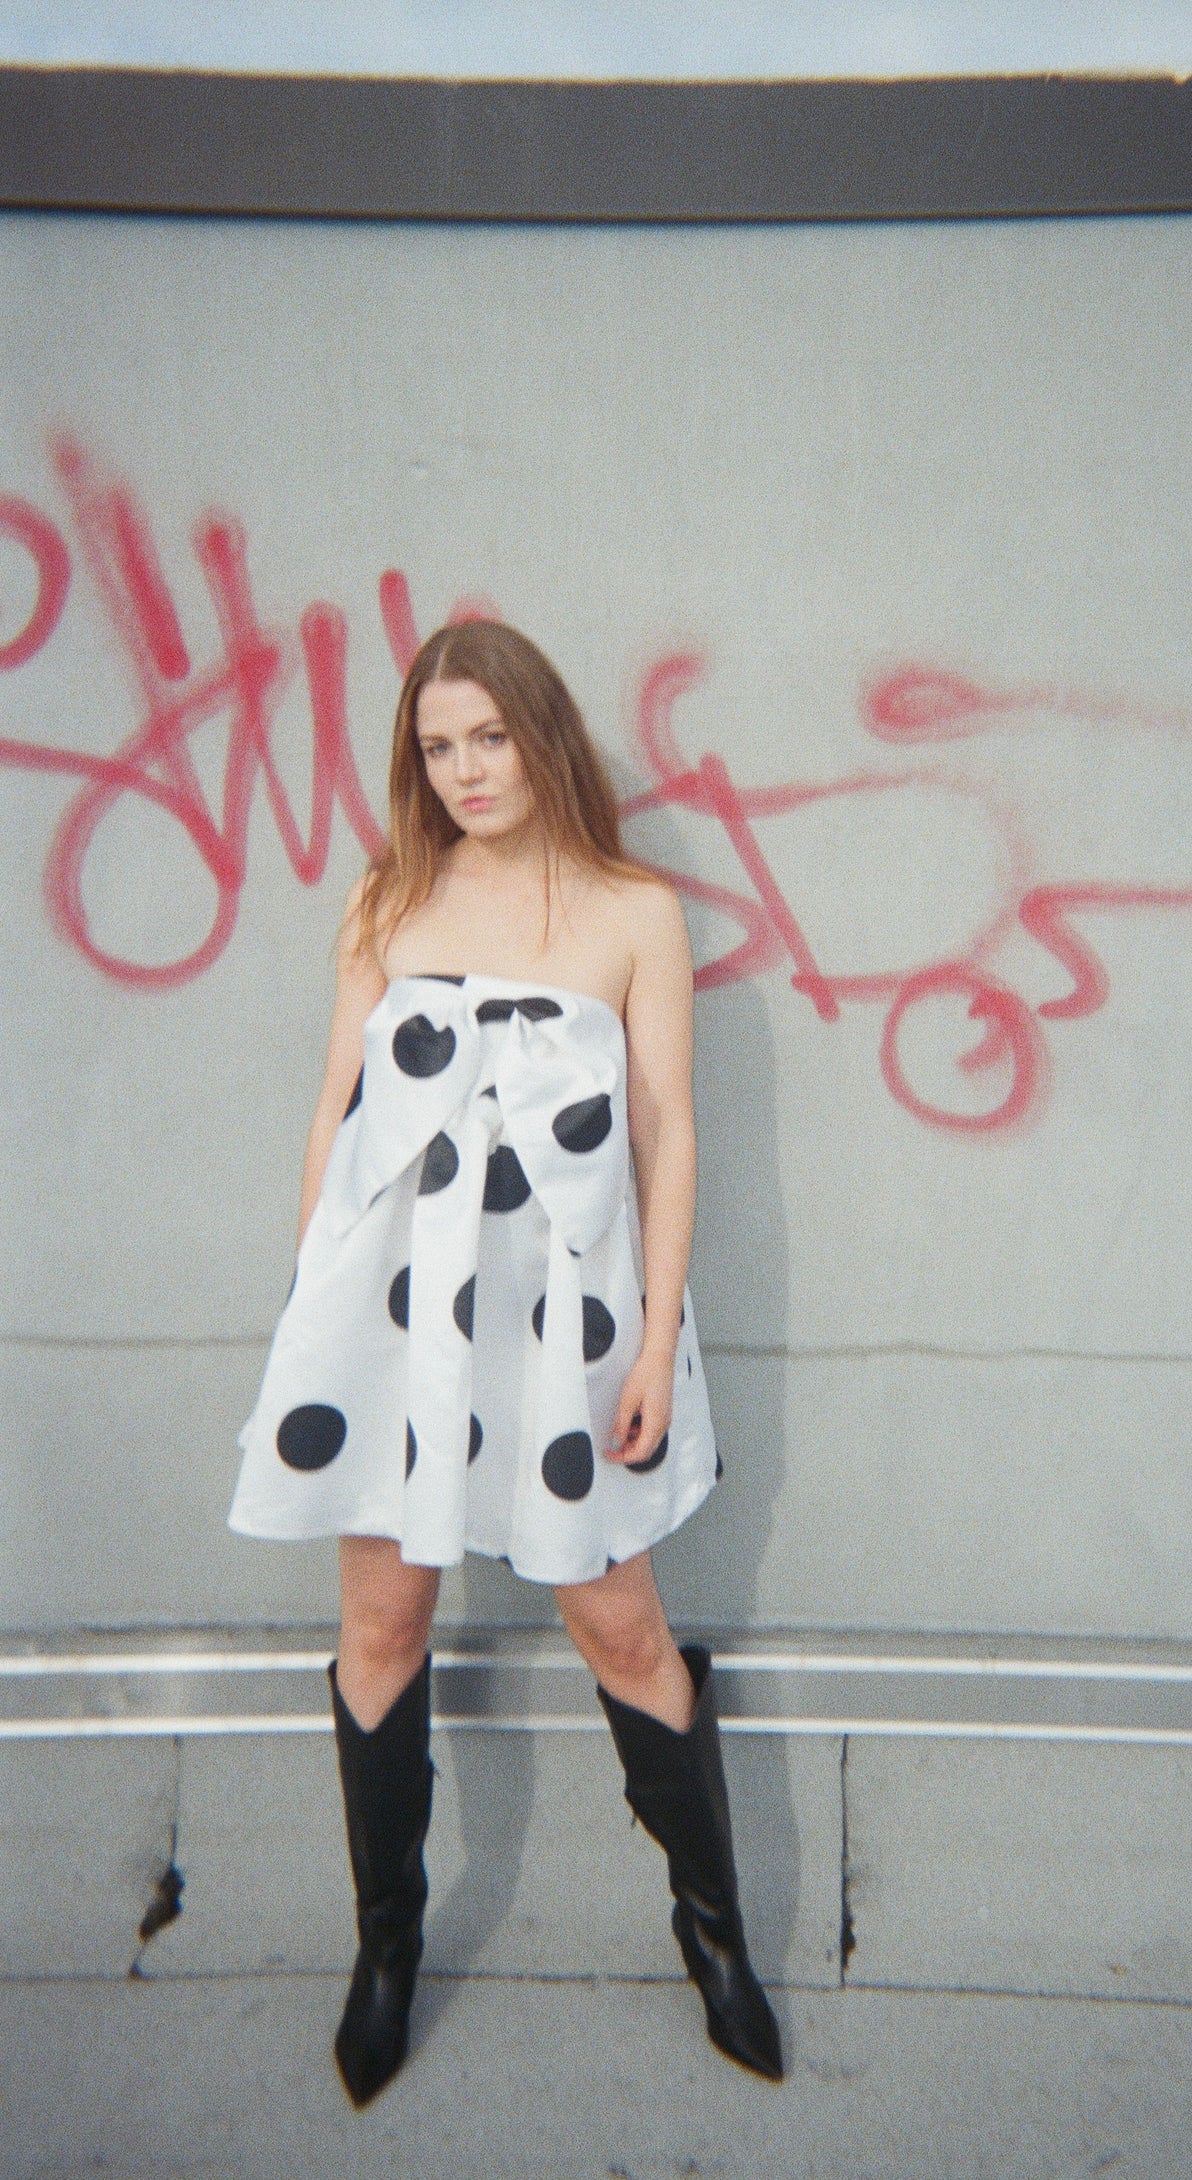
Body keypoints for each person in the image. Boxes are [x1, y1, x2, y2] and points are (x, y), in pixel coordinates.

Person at [229, 620, 782, 2106]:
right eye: (434, 744)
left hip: (563, 1334)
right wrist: (309, 1316)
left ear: (542, 733)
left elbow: (666, 1134)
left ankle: (712, 1935)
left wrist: (656, 1339)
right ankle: (387, 1952)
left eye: (489, 736)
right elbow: (331, 1118)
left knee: (619, 1629)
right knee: (383, 1625)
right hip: (387, 1322)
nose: (465, 770)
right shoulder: (387, 898)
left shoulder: (629, 911)